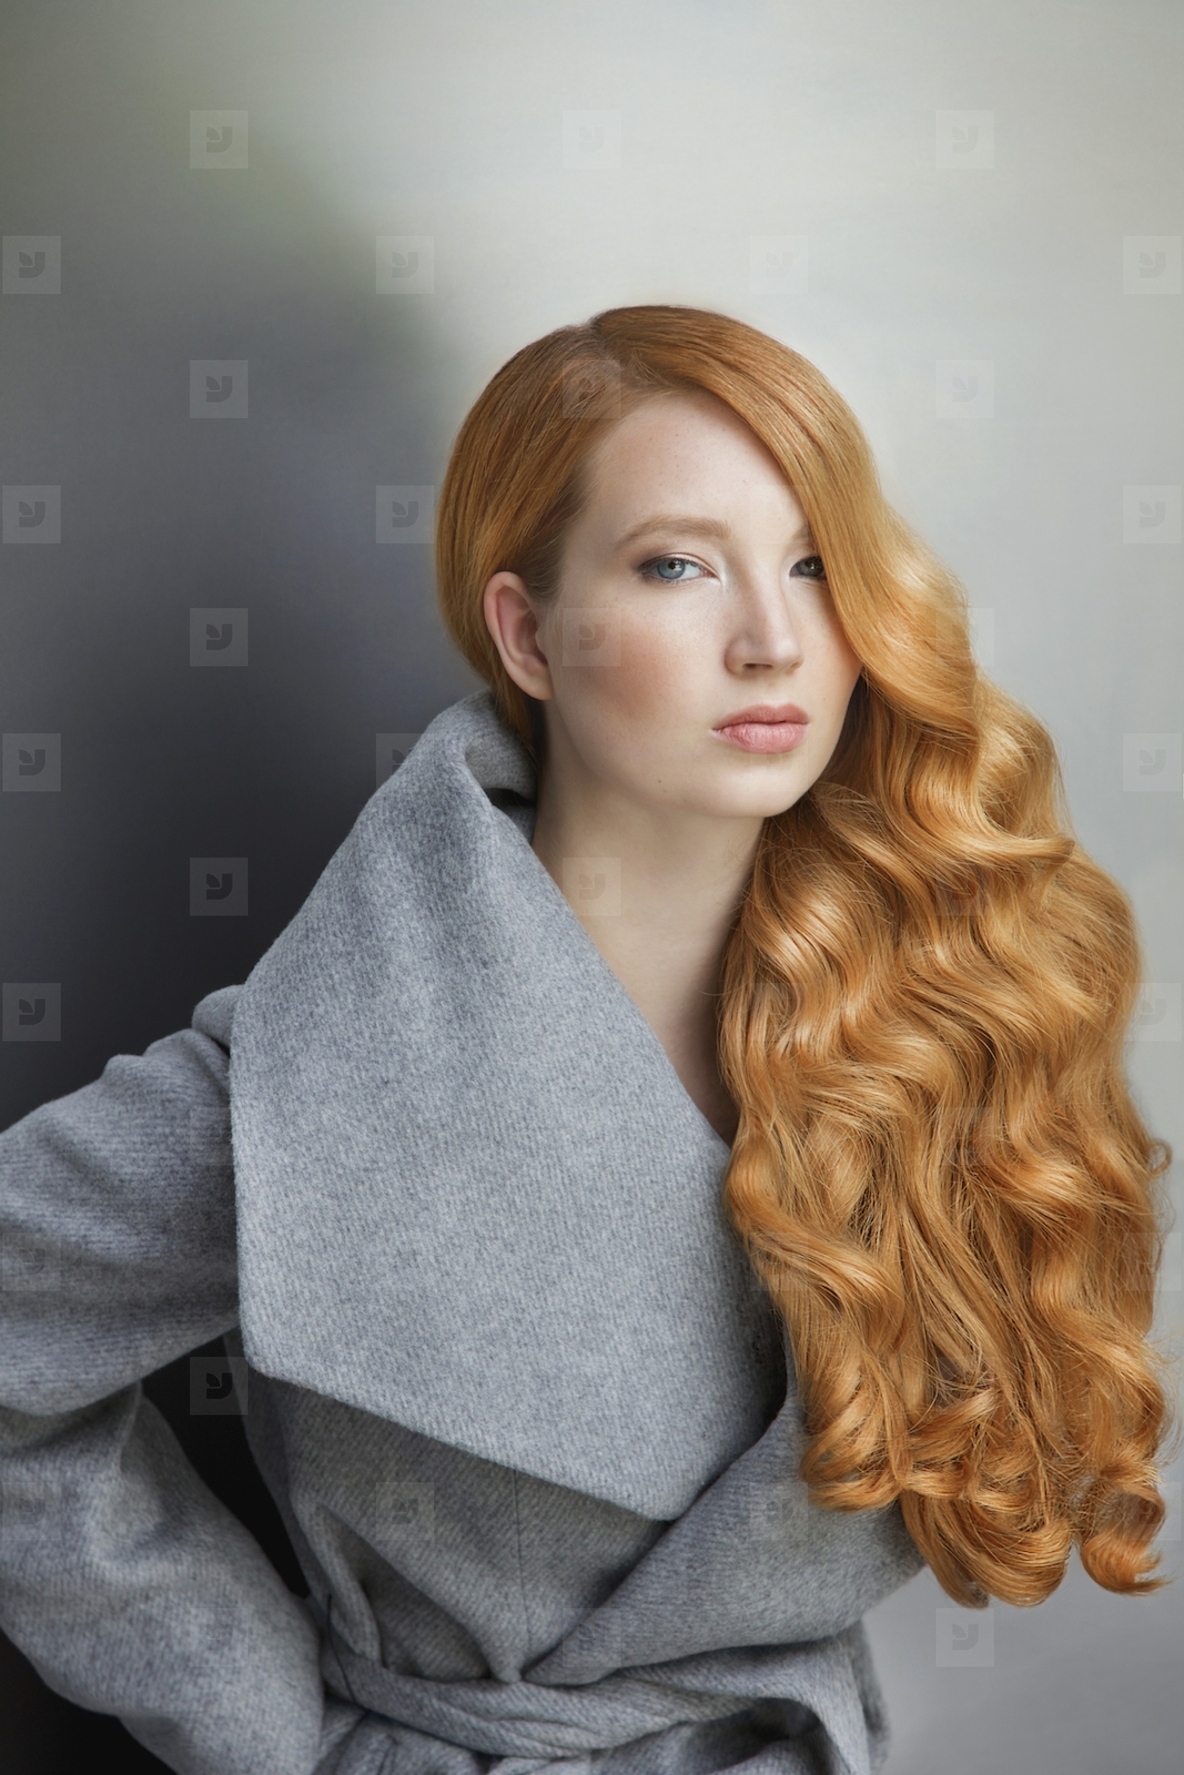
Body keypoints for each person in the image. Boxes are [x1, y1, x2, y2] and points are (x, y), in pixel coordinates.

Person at [0, 304, 1174, 1775]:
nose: (772, 640)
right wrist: (272, 1732)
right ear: (529, 634)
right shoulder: (314, 1076)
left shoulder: (941, 1014)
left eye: (816, 563)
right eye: (677, 565)